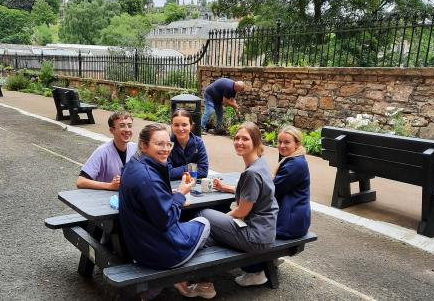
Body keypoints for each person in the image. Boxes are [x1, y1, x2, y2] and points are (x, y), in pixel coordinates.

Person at [119, 123, 216, 299]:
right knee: (205, 221)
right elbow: (166, 220)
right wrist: (181, 194)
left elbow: (149, 197)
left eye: (168, 144)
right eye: (159, 144)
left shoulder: (134, 165)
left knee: (192, 220)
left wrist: (164, 194)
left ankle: (167, 282)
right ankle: (197, 280)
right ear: (144, 145)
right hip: (160, 253)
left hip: (138, 245)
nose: (166, 149)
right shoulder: (148, 178)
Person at [198, 122, 278, 285]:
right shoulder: (260, 163)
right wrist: (225, 188)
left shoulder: (251, 173)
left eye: (245, 139)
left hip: (256, 237)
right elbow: (253, 194)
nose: (239, 142)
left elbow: (241, 211)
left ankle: (199, 278)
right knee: (211, 232)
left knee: (204, 214)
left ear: (255, 142)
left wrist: (221, 219)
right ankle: (202, 279)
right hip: (267, 231)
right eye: (236, 138)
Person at [235, 125, 311, 286]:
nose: (282, 146)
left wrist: (244, 193)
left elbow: (271, 190)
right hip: (294, 217)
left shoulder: (295, 165)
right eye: (280, 142)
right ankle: (269, 261)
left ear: (297, 144)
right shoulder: (293, 159)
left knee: (246, 227)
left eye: (287, 142)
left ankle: (256, 270)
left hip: (289, 223)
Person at [76, 111, 137, 190]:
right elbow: (80, 182)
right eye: (122, 126)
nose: (127, 130)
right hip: (106, 199)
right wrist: (110, 186)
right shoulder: (102, 152)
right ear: (112, 130)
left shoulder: (136, 149)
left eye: (130, 126)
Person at [168, 108, 209, 180]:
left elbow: (203, 171)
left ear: (191, 126)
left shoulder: (199, 142)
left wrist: (177, 171)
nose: (180, 128)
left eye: (184, 125)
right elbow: (168, 173)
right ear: (172, 126)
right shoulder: (167, 144)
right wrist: (190, 167)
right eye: (176, 125)